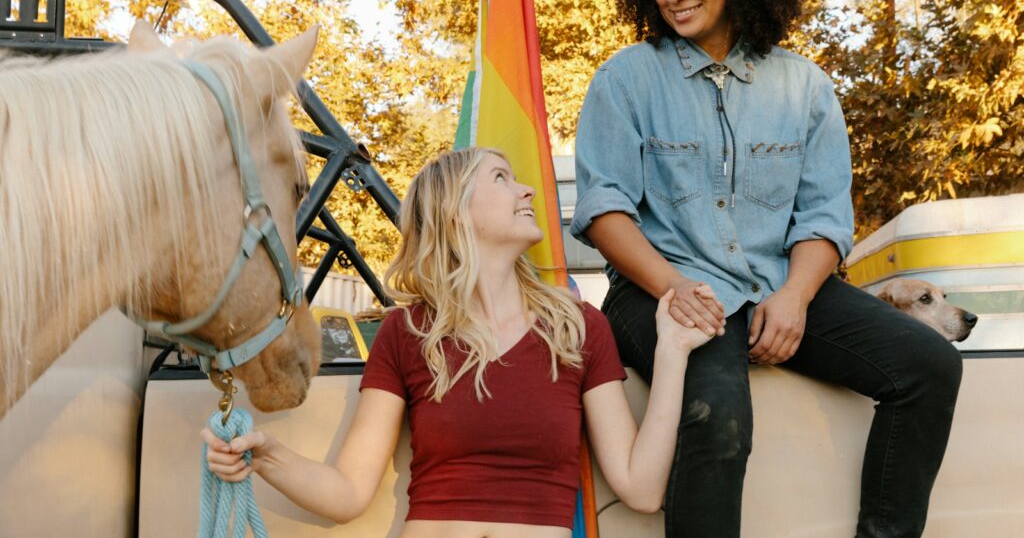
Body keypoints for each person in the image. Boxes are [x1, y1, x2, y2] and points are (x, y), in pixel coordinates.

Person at [570, 0, 964, 537]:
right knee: (717, 414)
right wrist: (673, 288)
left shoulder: (804, 86)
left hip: (778, 282)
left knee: (930, 365)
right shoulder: (625, 79)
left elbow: (825, 218)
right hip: (662, 288)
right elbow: (604, 211)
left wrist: (797, 297)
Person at [203, 147, 711, 537]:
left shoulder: (578, 328)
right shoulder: (406, 334)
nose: (527, 190)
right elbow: (348, 491)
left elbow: (641, 489)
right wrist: (263, 454)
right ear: (454, 213)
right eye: (501, 178)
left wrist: (672, 351)